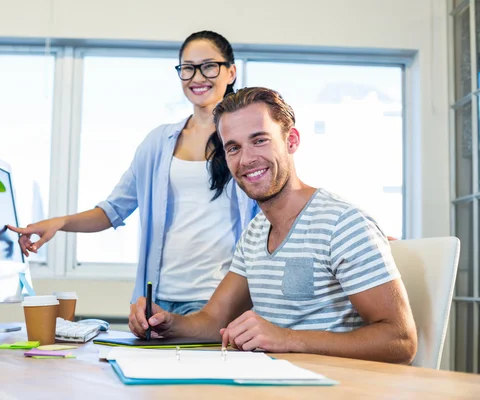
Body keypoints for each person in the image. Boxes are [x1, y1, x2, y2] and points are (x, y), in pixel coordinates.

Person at [128, 87, 417, 364]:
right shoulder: (254, 234)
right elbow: (212, 322)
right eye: (233, 148)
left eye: (260, 140)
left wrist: (288, 339)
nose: (247, 159)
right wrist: (165, 322)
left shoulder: (343, 224)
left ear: (291, 141)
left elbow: (401, 341)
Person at [7, 31, 258, 315]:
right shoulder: (158, 143)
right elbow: (113, 209)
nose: (198, 77)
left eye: (209, 66)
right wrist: (60, 222)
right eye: (188, 68)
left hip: (219, 300)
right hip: (157, 300)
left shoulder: (246, 143)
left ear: (231, 72)